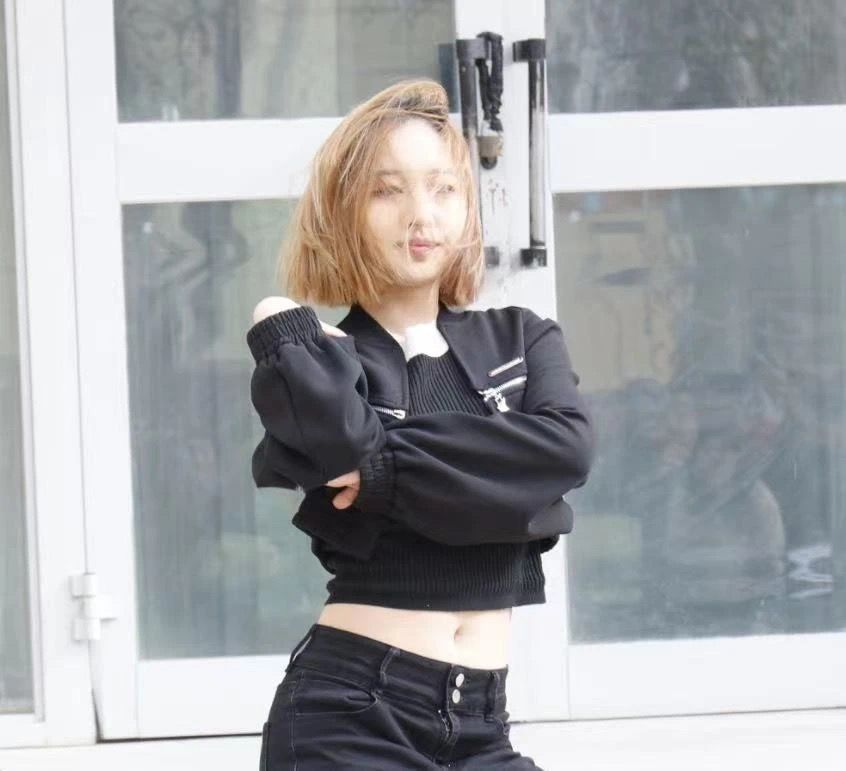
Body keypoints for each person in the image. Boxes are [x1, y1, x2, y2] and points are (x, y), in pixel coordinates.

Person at [247, 78, 594, 769]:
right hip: (350, 713)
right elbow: (341, 444)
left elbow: (566, 450)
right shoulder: (323, 357)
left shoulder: (521, 338)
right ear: (342, 211)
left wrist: (386, 466)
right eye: (387, 191)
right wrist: (274, 318)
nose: (421, 214)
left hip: (482, 725)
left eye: (444, 189)